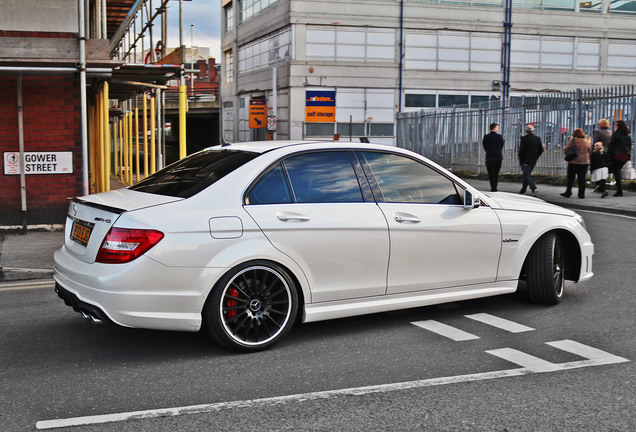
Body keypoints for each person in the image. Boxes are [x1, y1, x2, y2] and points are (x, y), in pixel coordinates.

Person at [561, 128, 591, 199]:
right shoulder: (586, 142)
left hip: (574, 162)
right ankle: (581, 194)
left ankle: (568, 192)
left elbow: (566, 150)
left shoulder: (573, 141)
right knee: (582, 179)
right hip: (585, 162)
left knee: (571, 178)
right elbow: (590, 152)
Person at [607, 120, 632, 197]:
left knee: (617, 173)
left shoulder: (616, 134)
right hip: (625, 155)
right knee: (618, 172)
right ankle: (619, 189)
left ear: (618, 126)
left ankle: (619, 190)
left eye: (616, 125)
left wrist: (609, 156)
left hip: (617, 155)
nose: (615, 126)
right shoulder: (627, 135)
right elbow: (629, 146)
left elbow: (611, 146)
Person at [518, 124, 544, 196]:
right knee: (527, 174)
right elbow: (541, 150)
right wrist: (536, 156)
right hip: (533, 160)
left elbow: (521, 151)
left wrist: (520, 160)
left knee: (526, 175)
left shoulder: (523, 138)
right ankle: (523, 190)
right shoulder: (537, 138)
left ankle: (533, 188)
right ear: (533, 131)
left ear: (526, 131)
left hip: (525, 160)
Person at [483, 122, 504, 192]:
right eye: (497, 127)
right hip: (498, 157)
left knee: (491, 174)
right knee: (496, 173)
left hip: (489, 158)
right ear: (495, 128)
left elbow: (485, 147)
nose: (498, 129)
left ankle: (493, 187)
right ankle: (495, 186)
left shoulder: (486, 137)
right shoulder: (500, 137)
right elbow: (501, 146)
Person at [592, 119, 612, 193]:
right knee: (604, 170)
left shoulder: (598, 132)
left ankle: (599, 185)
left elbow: (595, 142)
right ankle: (601, 186)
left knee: (597, 169)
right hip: (608, 153)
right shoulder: (610, 132)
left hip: (599, 152)